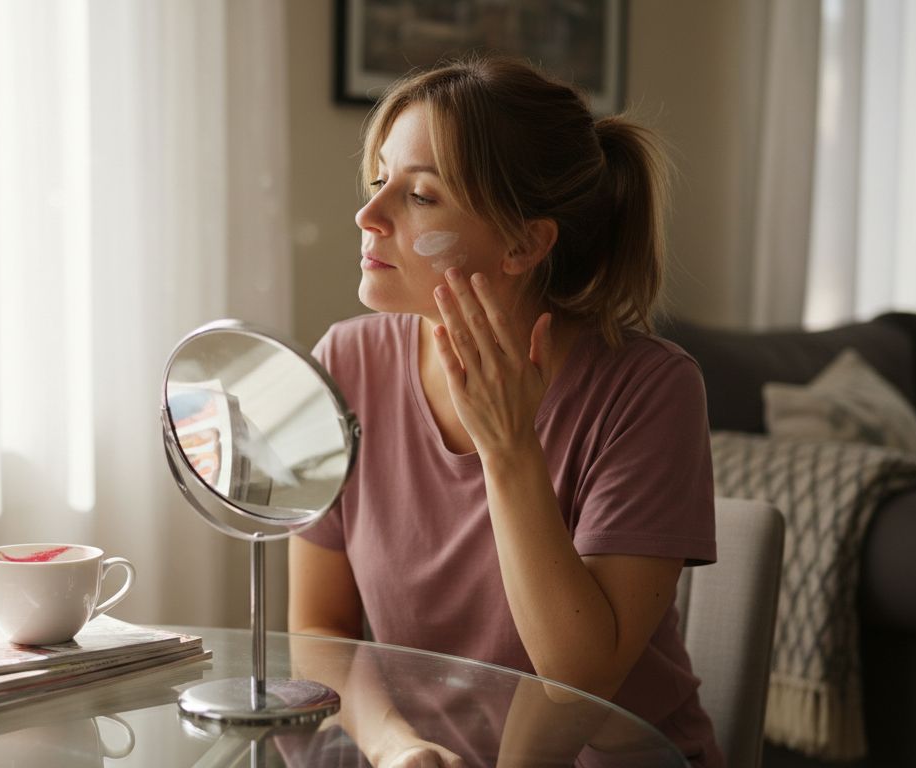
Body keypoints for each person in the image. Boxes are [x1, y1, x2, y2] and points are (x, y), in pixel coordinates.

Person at [288, 56, 723, 768]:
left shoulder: (650, 390)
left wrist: (509, 448)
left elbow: (577, 682)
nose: (369, 214)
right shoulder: (345, 362)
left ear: (525, 243)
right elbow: (319, 627)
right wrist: (397, 746)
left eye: (421, 196)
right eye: (379, 181)